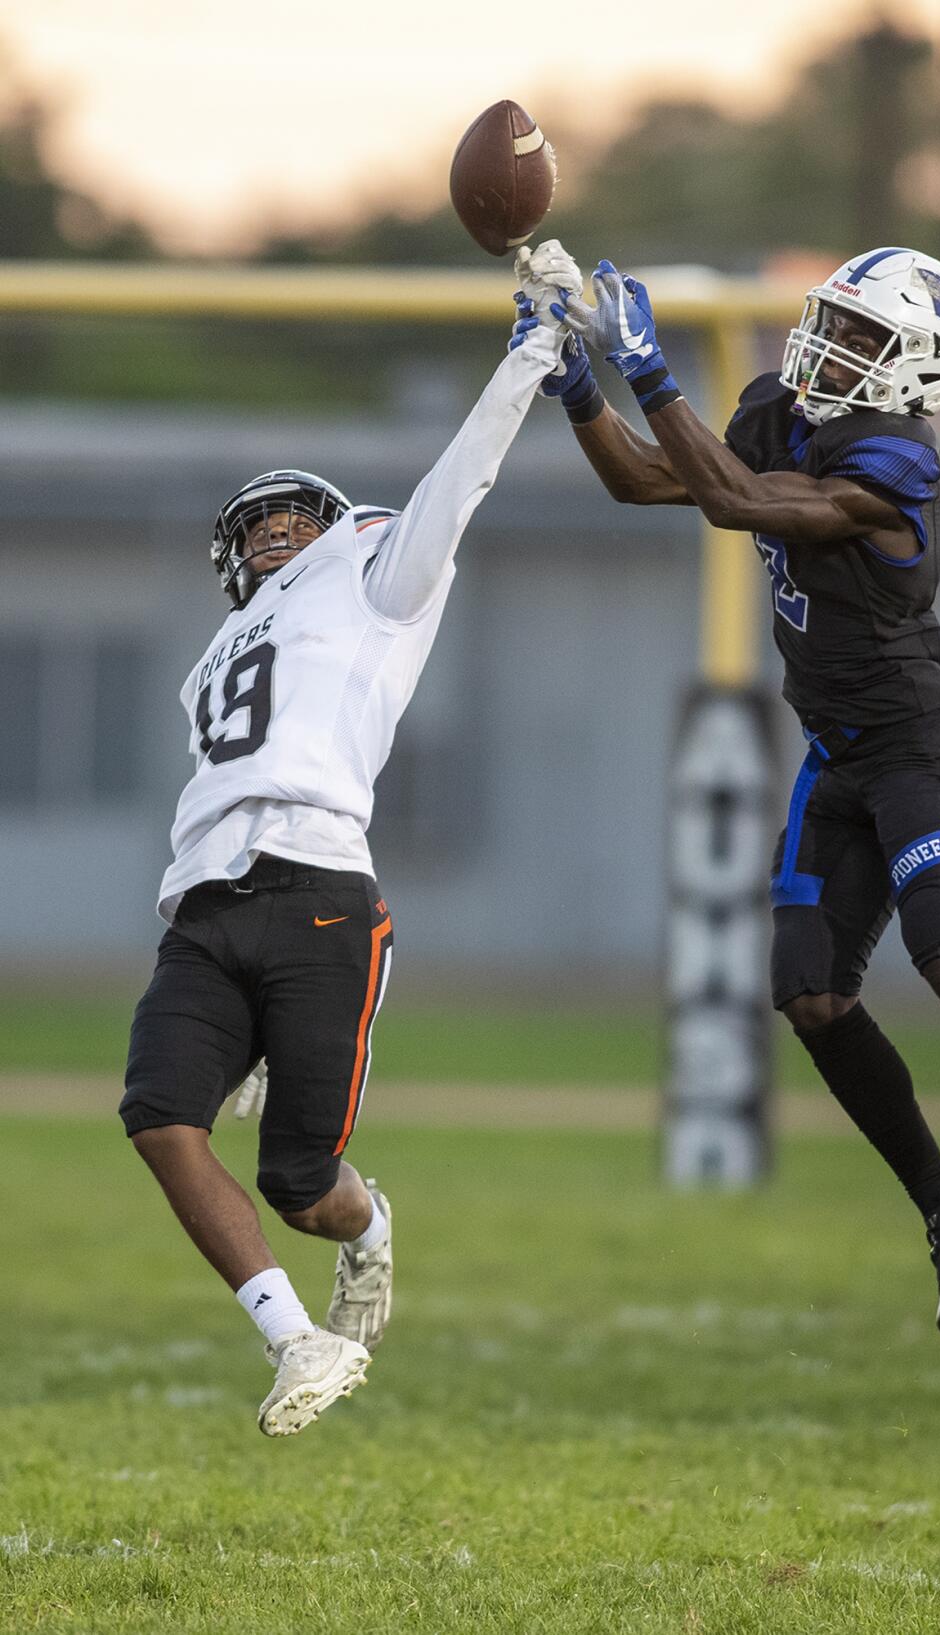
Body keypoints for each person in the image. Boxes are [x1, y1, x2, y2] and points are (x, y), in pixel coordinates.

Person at [514, 240, 940, 1333]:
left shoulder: (902, 458)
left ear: (916, 370)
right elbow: (645, 479)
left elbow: (740, 506)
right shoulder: (783, 414)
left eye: (862, 338)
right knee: (810, 995)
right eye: (835, 323)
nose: (829, 346)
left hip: (913, 752)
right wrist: (575, 384)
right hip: (836, 758)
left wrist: (651, 372)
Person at [120, 275, 570, 1434]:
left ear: (335, 528)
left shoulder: (373, 574)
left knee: (301, 1182)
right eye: (255, 526)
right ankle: (297, 1342)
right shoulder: (213, 657)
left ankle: (369, 1234)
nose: (276, 532)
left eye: (294, 518)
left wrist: (528, 355)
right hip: (206, 904)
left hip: (320, 888)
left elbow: (459, 478)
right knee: (159, 1115)